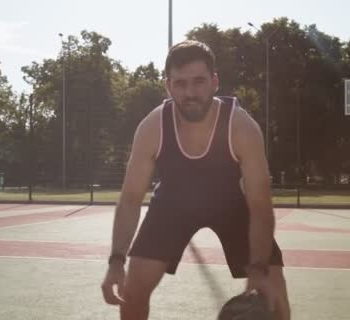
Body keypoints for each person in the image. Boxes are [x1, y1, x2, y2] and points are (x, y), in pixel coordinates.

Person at [100, 40, 291, 320]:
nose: (190, 92)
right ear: (168, 86)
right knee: (133, 289)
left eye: (199, 81)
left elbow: (261, 206)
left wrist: (259, 269)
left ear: (214, 82)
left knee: (275, 295)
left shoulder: (241, 128)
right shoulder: (152, 127)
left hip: (233, 207)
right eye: (180, 83)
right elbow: (130, 199)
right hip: (173, 204)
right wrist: (116, 261)